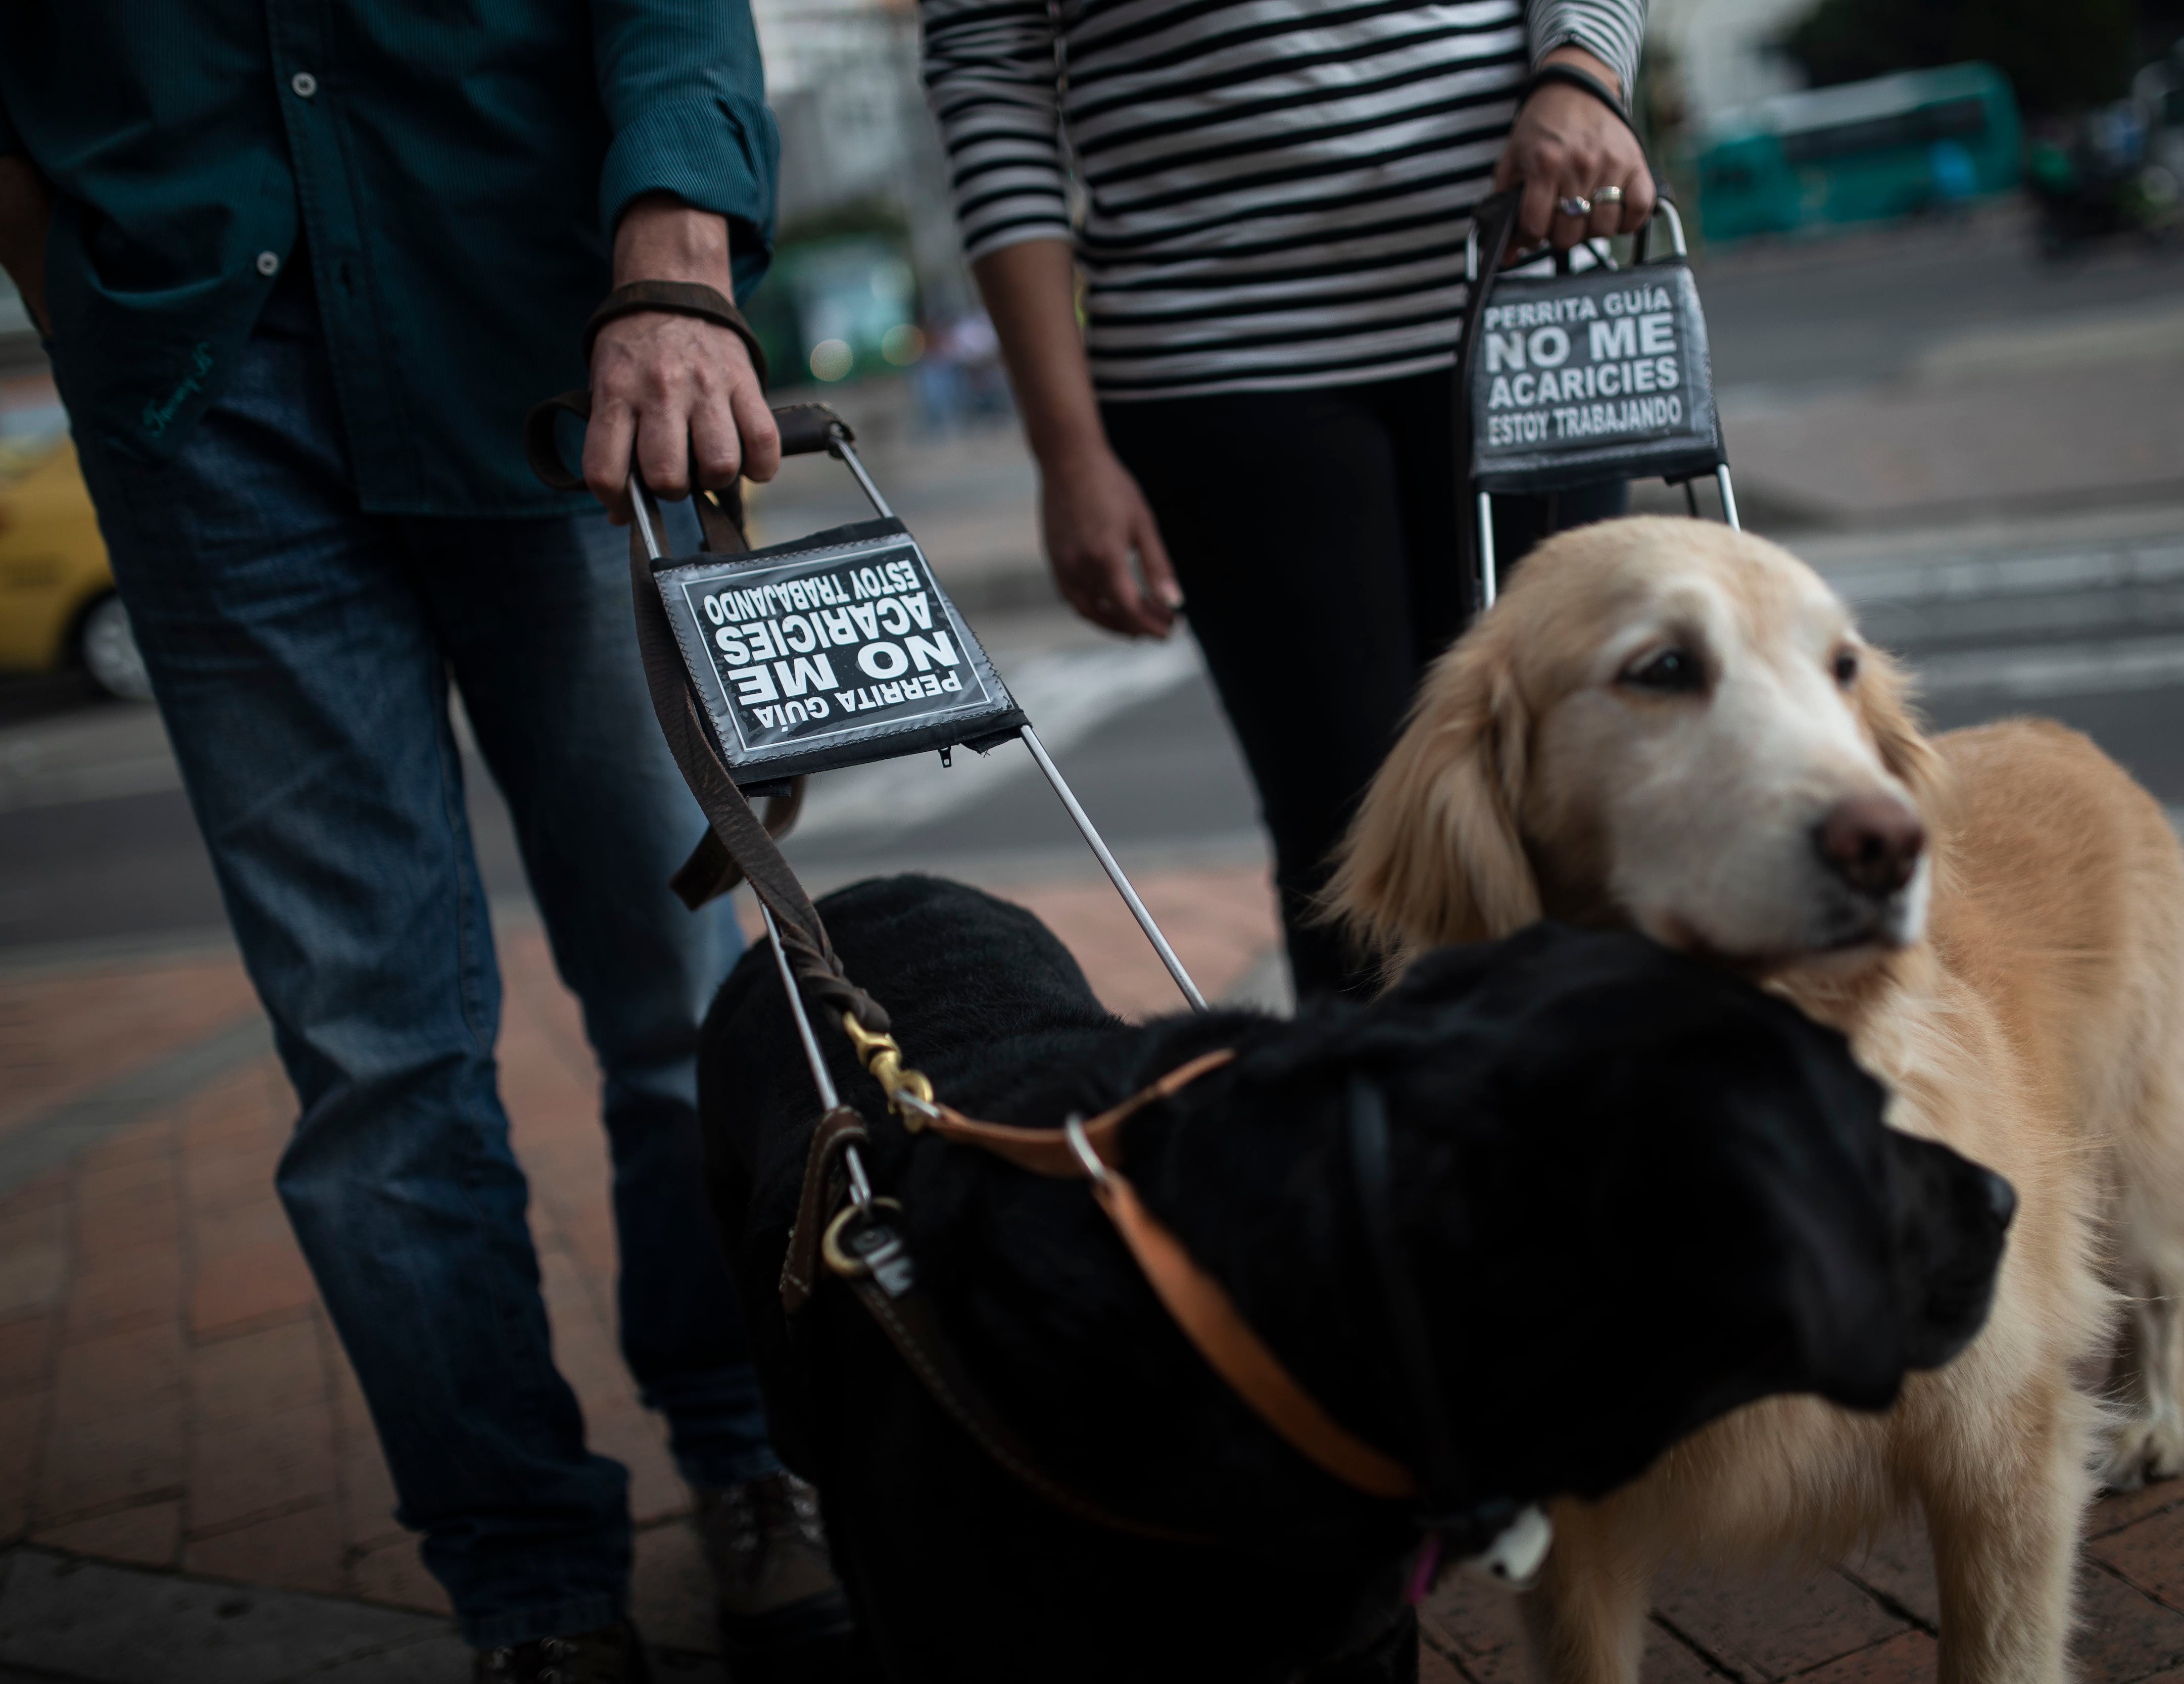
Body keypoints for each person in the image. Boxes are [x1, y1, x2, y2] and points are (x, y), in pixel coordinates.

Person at [0, 6, 850, 1679]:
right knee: (375, 1054)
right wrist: (80, 290)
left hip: (551, 333)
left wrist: (675, 256)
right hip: (195, 378)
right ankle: (528, 1581)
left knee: (689, 996)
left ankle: (758, 1457)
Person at [921, 0, 1654, 1000]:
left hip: (1528, 293)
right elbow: (990, 75)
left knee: (1577, 803)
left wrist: (1581, 68)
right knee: (1355, 856)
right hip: (1216, 358)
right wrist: (1067, 448)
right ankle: (1378, 1150)